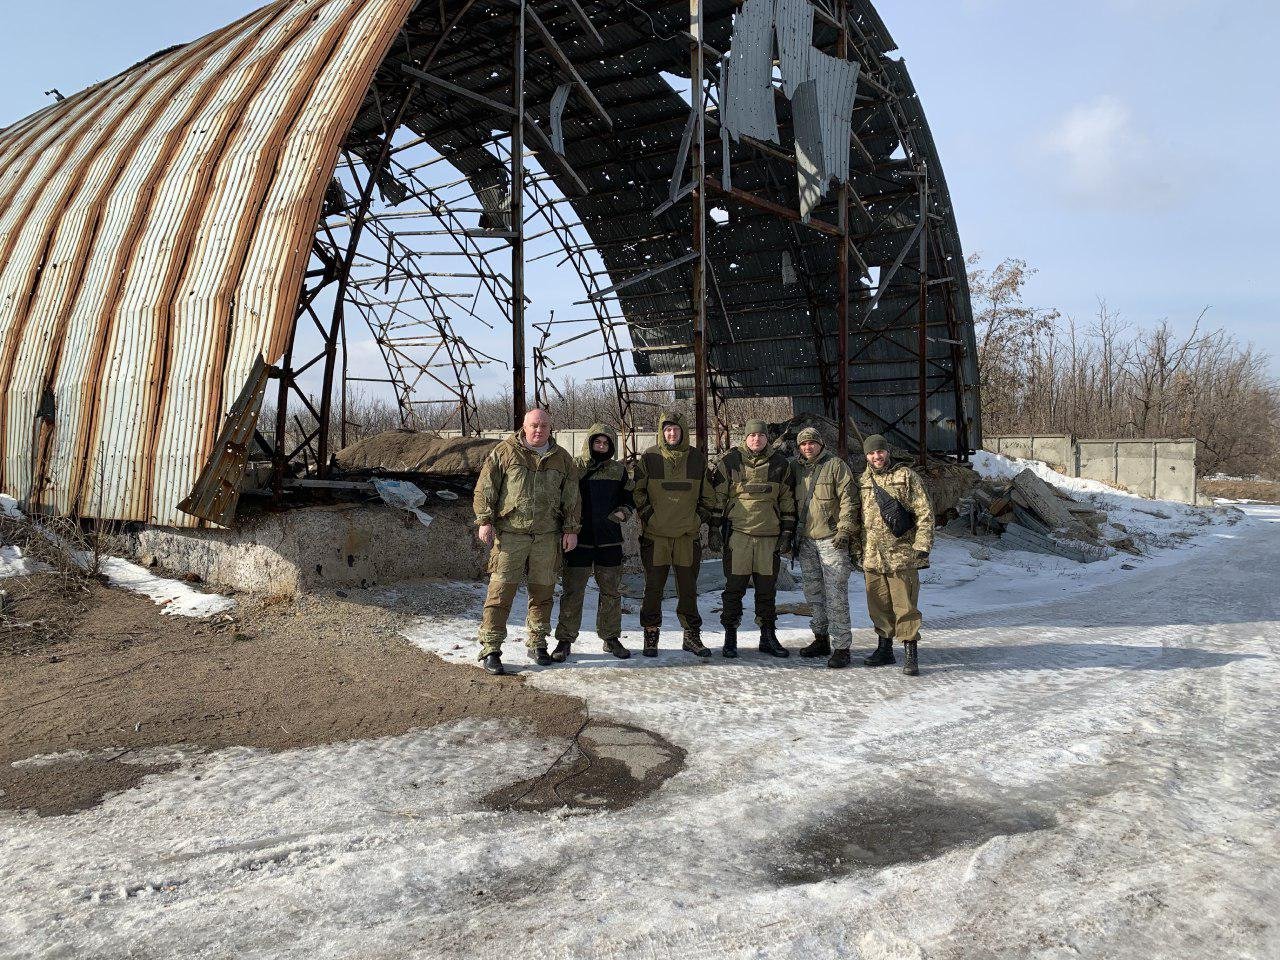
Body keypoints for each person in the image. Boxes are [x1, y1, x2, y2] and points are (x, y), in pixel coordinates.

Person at [472, 408, 581, 676]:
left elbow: (572, 497)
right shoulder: (504, 452)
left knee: (543, 593)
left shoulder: (562, 459)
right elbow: (485, 488)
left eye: (543, 425)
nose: (538, 430)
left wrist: (571, 529)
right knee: (500, 594)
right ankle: (491, 648)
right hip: (511, 536)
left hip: (547, 537)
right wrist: (485, 520)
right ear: (524, 425)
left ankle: (537, 643)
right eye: (533, 425)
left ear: (550, 428)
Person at [632, 409, 717, 658]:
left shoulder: (696, 459)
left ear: (682, 432)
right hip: (656, 537)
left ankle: (691, 634)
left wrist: (696, 520)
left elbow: (708, 496)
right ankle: (651, 633)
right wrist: (650, 517)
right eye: (667, 429)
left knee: (688, 588)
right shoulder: (649, 458)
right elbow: (638, 492)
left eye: (676, 429)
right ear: (661, 432)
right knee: (653, 588)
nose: (671, 433)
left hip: (686, 537)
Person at [709, 420, 796, 658]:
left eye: (760, 435)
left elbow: (787, 499)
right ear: (745, 438)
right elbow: (719, 497)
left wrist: (787, 532)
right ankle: (730, 636)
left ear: (767, 438)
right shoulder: (730, 462)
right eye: (752, 436)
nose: (756, 439)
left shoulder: (780, 464)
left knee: (766, 591)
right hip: (739, 537)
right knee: (734, 589)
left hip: (769, 538)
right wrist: (714, 529)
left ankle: (768, 636)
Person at [552, 424, 634, 662]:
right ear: (589, 443)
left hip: (609, 540)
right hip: (579, 539)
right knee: (573, 591)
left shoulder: (618, 470)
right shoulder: (574, 467)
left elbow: (629, 498)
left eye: (605, 443)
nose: (601, 447)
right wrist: (568, 527)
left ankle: (610, 638)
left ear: (611, 446)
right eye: (597, 442)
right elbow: (563, 498)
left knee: (611, 591)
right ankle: (565, 639)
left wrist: (621, 514)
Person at [856, 434, 935, 676]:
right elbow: (858, 519)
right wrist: (857, 549)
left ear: (887, 452)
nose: (876, 457)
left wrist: (922, 544)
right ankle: (884, 649)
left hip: (901, 554)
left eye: (879, 452)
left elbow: (924, 511)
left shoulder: (906, 476)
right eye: (871, 453)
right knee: (878, 605)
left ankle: (911, 654)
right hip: (872, 554)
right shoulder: (862, 481)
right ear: (866, 456)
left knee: (906, 606)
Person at [791, 426, 858, 668]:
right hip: (807, 541)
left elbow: (850, 499)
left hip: (832, 539)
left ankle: (842, 646)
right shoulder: (796, 468)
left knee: (836, 595)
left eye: (812, 442)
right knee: (814, 594)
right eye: (803, 444)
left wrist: (845, 530)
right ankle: (821, 638)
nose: (808, 447)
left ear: (820, 444)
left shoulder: (836, 466)